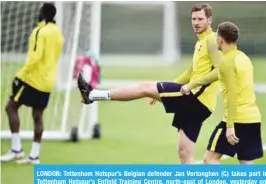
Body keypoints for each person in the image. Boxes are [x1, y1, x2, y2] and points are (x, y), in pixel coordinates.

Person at [77, 3, 222, 164]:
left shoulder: (212, 40)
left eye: (200, 19)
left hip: (194, 98)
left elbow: (219, 71)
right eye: (193, 19)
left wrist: (190, 86)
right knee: (184, 154)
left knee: (144, 87)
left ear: (209, 20)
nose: (196, 22)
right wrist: (165, 90)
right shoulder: (201, 42)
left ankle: (92, 95)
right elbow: (189, 73)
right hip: (200, 104)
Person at [1, 3, 64, 164]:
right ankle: (34, 156)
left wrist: (20, 75)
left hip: (33, 79)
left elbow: (34, 58)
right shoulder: (58, 33)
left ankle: (16, 150)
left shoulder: (40, 31)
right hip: (48, 82)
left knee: (11, 106)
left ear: (42, 13)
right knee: (38, 116)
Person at [203, 22, 263, 164]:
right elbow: (217, 74)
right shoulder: (244, 58)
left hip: (237, 119)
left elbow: (232, 93)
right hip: (253, 118)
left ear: (221, 39)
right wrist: (190, 85)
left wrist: (230, 126)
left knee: (210, 159)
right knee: (246, 164)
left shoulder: (226, 61)